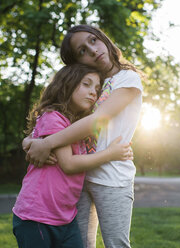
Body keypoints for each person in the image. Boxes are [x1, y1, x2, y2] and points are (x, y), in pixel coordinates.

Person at [23, 25, 143, 248]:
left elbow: (97, 120)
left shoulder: (128, 79)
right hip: (77, 179)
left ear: (102, 38)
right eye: (82, 50)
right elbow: (56, 117)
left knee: (116, 244)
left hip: (112, 177)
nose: (92, 49)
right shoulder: (86, 84)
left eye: (93, 40)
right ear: (78, 62)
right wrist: (30, 142)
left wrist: (47, 143)